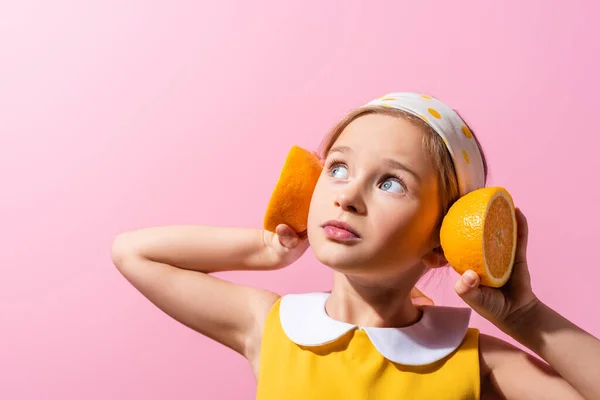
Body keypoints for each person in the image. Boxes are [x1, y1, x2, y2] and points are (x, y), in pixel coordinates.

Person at [111, 92, 600, 399]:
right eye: (338, 168)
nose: (347, 195)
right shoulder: (272, 327)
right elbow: (134, 252)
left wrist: (527, 318)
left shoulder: (475, 363)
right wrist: (265, 250)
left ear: (440, 240)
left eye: (391, 183)